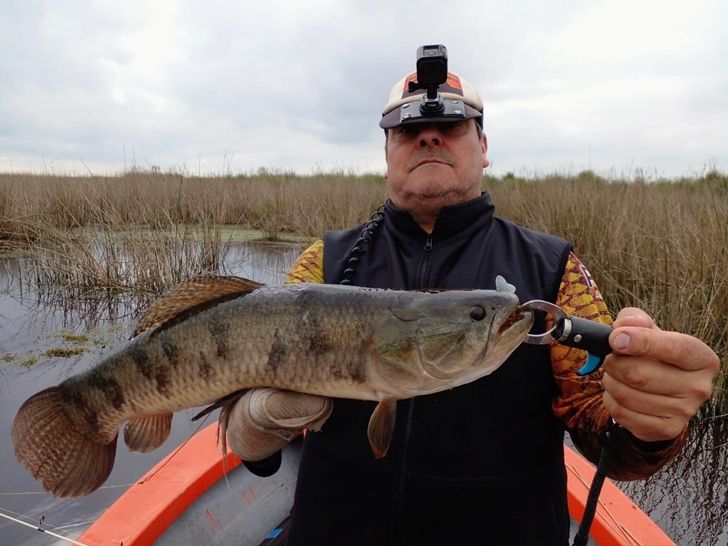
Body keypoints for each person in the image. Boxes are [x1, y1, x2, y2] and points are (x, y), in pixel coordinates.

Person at [229, 49, 720, 545]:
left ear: (483, 145)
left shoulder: (555, 271)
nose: (428, 135)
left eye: (453, 124)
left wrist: (649, 419)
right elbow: (266, 440)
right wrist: (254, 432)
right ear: (386, 155)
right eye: (405, 130)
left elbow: (606, 436)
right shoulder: (322, 263)